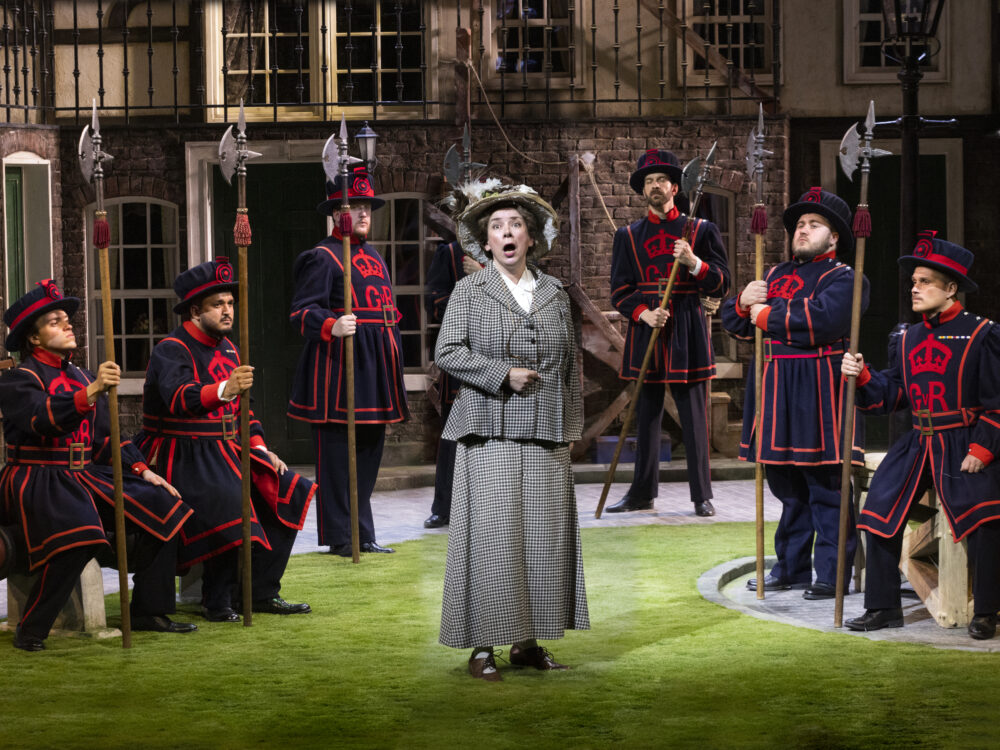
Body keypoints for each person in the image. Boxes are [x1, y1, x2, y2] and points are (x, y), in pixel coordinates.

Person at [436, 181, 589, 681]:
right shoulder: (469, 290)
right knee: (493, 541)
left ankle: (527, 643)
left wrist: (570, 428)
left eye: (515, 225)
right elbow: (448, 353)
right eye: (497, 226)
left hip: (546, 435)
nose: (506, 233)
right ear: (485, 241)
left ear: (531, 237)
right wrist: (502, 374)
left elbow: (571, 367)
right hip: (490, 434)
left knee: (542, 544)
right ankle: (482, 647)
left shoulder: (553, 293)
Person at [1, 280, 196, 651]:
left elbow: (107, 439)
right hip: (37, 477)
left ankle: (148, 610)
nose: (68, 325)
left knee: (166, 506)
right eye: (55, 321)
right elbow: (42, 420)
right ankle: (32, 629)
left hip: (85, 475)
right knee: (80, 536)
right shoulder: (18, 380)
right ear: (35, 339)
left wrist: (143, 470)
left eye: (67, 319)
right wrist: (90, 393)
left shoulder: (82, 375)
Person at [136, 258, 314, 622]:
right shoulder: (172, 348)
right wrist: (224, 389)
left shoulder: (229, 349)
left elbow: (243, 412)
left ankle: (260, 590)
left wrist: (261, 448)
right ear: (195, 310)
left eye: (230, 303)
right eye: (218, 304)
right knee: (235, 506)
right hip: (180, 452)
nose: (228, 310)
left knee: (289, 490)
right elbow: (180, 399)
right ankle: (217, 600)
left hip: (225, 448)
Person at [843, 232, 1000, 640]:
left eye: (925, 281)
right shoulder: (906, 337)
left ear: (951, 289)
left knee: (987, 515)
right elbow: (892, 396)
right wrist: (863, 375)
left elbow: (997, 402)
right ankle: (882, 607)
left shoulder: (983, 334)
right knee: (878, 511)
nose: (915, 288)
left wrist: (983, 449)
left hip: (965, 442)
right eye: (914, 281)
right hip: (918, 442)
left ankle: (986, 612)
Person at [722, 187, 868, 600]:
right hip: (773, 389)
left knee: (825, 486)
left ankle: (831, 573)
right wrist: (742, 301)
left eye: (814, 225)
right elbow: (736, 325)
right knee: (787, 488)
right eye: (799, 225)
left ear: (834, 237)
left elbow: (823, 320)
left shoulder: (846, 278)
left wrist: (765, 314)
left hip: (818, 389)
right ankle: (791, 567)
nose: (802, 231)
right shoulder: (774, 275)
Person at [288, 166, 408, 555]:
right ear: (336, 212)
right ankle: (342, 537)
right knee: (339, 459)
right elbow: (301, 312)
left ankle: (363, 532)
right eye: (354, 206)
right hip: (341, 370)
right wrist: (331, 325)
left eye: (367, 207)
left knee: (370, 454)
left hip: (378, 368)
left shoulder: (374, 254)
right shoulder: (322, 257)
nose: (363, 214)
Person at [607, 149, 730, 517]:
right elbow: (619, 291)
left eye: (661, 180)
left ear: (675, 187)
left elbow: (721, 284)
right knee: (645, 419)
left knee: (694, 418)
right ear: (643, 191)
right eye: (648, 182)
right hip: (649, 331)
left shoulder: (701, 230)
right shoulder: (627, 236)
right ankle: (641, 493)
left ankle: (701, 496)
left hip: (687, 328)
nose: (655, 186)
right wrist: (644, 314)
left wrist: (694, 263)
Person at [423, 239, 482, 529]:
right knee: (452, 440)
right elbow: (434, 304)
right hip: (463, 356)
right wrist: (470, 290)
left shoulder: (512, 251)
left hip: (504, 359)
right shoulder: (450, 253)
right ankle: (444, 508)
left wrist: (482, 275)